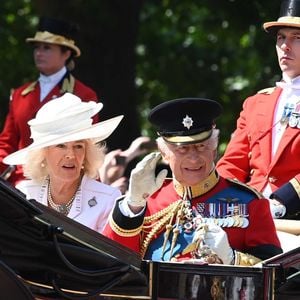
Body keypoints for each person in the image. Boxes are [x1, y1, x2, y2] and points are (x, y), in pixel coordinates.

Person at [103, 98, 282, 266]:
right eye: (182, 149)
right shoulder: (149, 198)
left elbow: (275, 275)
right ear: (164, 153)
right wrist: (133, 205)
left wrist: (233, 258)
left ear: (214, 150)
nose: (194, 158)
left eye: (201, 146)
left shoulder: (249, 202)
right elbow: (112, 261)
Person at [216, 0, 300, 249]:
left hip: (293, 222)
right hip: (246, 217)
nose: (285, 46)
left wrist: (282, 200)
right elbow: (231, 163)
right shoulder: (256, 103)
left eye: (297, 37)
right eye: (281, 37)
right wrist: (222, 200)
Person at [3, 93, 123, 233]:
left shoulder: (107, 199)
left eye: (78, 146)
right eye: (61, 146)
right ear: (43, 153)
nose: (71, 155)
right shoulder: (25, 194)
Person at [0, 16, 98, 186]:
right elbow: (7, 142)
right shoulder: (20, 94)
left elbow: (88, 146)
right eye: (37, 47)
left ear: (66, 53)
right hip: (21, 183)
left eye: (46, 48)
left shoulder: (83, 94)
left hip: (63, 184)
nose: (39, 53)